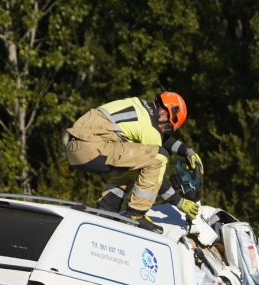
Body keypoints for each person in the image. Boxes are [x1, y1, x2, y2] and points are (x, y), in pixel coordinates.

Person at [65, 92, 202, 232]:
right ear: (163, 114)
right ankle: (136, 214)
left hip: (76, 147)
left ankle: (108, 207)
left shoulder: (140, 107)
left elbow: (160, 138)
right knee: (159, 157)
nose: (164, 130)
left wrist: (187, 151)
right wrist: (179, 202)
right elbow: (157, 178)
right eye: (168, 126)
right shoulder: (149, 128)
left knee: (136, 161)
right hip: (91, 148)